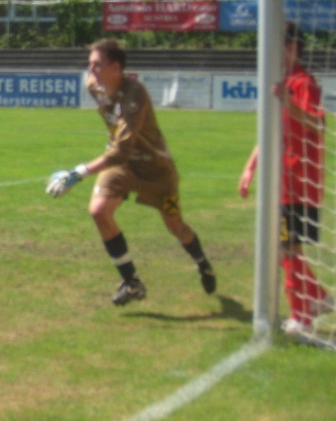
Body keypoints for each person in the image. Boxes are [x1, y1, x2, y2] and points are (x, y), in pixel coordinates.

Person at [46, 38, 216, 306]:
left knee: (175, 225)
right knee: (98, 211)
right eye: (89, 64)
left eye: (97, 65)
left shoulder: (134, 95)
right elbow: (119, 154)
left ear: (116, 68)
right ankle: (132, 282)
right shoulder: (94, 85)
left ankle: (202, 263)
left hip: (156, 170)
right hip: (122, 168)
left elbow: (121, 150)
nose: (91, 70)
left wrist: (77, 173)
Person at [239, 24, 331, 335]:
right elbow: (272, 130)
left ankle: (301, 317)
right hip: (284, 179)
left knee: (285, 248)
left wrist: (289, 102)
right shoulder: (285, 82)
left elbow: (319, 124)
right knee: (285, 247)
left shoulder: (304, 83)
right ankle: (317, 298)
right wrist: (250, 167)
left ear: (290, 49)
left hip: (300, 180)